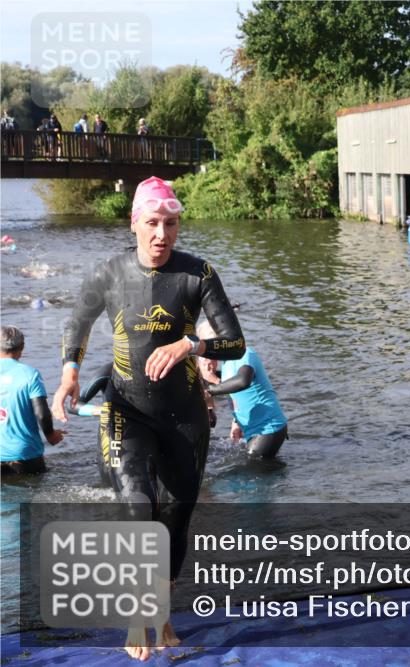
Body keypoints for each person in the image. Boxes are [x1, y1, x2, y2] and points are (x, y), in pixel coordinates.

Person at [52, 176, 244, 659]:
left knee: (177, 520)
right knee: (139, 506)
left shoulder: (197, 274)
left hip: (183, 417)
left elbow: (234, 341)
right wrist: (69, 374)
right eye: (153, 224)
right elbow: (79, 321)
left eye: (172, 224)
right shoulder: (108, 273)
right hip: (126, 410)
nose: (162, 235)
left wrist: (190, 344)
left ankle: (162, 612)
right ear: (135, 223)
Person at [197, 321, 288, 458]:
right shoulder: (227, 362)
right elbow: (237, 392)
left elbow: (243, 381)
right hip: (256, 429)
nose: (206, 353)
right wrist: (236, 422)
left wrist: (210, 390)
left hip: (268, 429)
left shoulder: (244, 354)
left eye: (207, 347)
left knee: (250, 470)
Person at [1, 326, 65, 475]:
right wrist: (51, 435)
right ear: (22, 346)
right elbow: (41, 413)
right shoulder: (30, 374)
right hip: (25, 456)